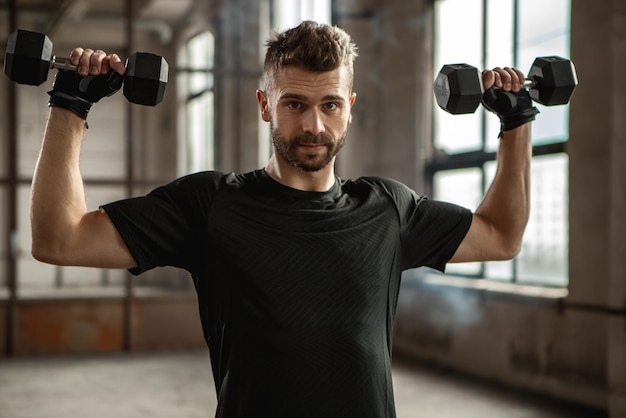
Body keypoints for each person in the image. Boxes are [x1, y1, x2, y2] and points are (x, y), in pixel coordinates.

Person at [30, 21, 536, 418]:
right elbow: (61, 240)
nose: (314, 125)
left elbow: (501, 235)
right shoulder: (209, 204)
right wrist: (70, 103)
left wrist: (517, 122)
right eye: (294, 103)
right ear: (265, 105)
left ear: (350, 108)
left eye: (330, 105)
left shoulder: (388, 210)